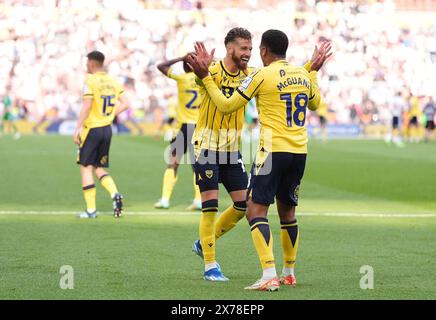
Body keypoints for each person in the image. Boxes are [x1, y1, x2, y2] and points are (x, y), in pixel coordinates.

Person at [187, 30, 331, 291]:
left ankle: (204, 242)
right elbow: (206, 85)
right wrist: (203, 75)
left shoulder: (252, 74)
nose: (247, 53)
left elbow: (280, 79)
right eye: (242, 48)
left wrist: (310, 67)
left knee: (244, 206)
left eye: (251, 49)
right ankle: (210, 264)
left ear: (262, 50)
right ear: (229, 48)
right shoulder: (212, 71)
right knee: (210, 206)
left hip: (233, 149)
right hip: (206, 145)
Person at [73, 51, 129, 218]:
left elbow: (87, 105)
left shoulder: (89, 81)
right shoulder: (113, 81)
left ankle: (91, 210)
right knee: (98, 166)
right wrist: (110, 115)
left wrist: (78, 128)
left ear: (91, 63)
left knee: (85, 168)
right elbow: (126, 104)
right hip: (107, 129)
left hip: (92, 129)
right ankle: (114, 194)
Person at [154, 54, 202, 210]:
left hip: (183, 127)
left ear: (185, 66)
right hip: (200, 127)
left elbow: (161, 66)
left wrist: (181, 58)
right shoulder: (205, 79)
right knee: (197, 165)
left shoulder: (182, 78)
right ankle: (199, 200)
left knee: (173, 162)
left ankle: (165, 199)